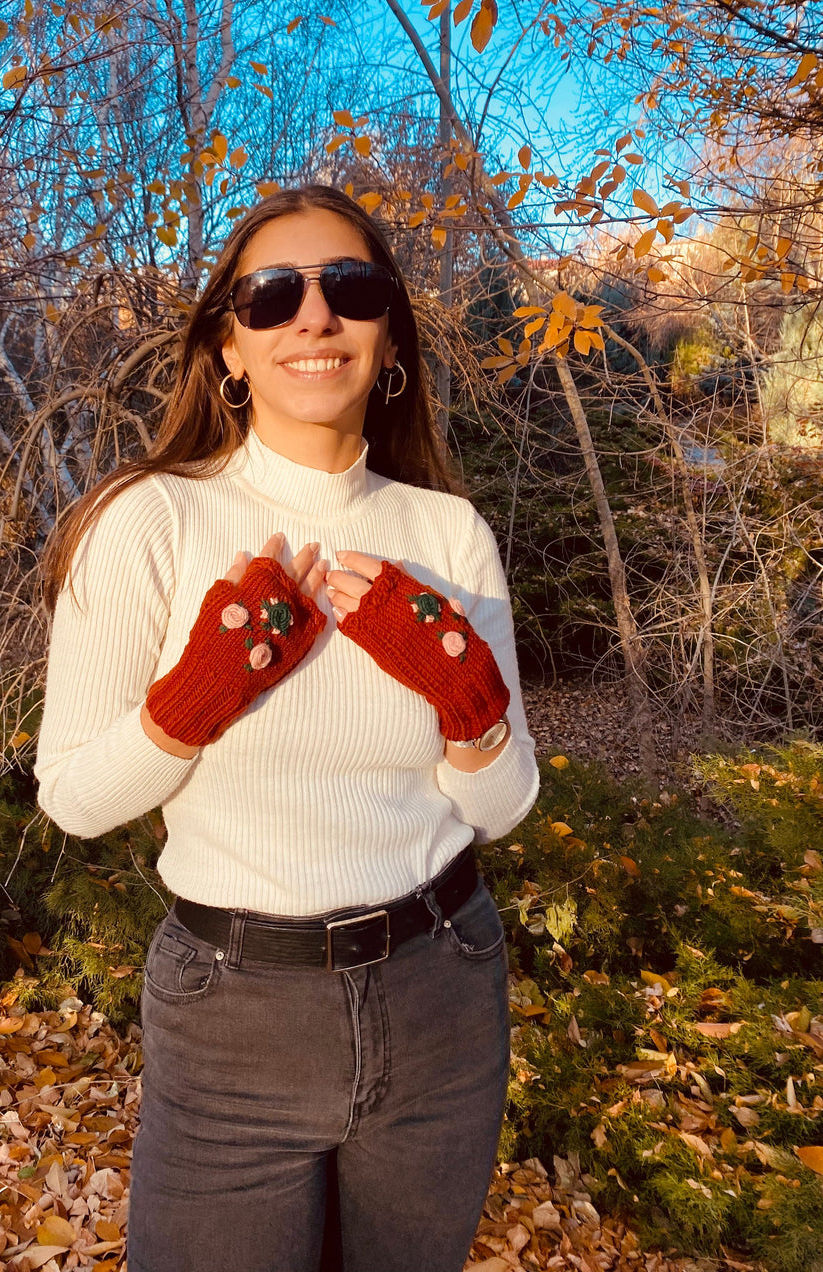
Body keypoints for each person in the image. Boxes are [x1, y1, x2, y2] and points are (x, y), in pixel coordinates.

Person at [35, 184, 540, 1272]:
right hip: (234, 1019)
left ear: (388, 333)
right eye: (273, 297)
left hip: (443, 991)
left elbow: (506, 804)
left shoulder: (445, 535)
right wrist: (194, 700)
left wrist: (466, 704)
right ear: (231, 344)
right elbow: (74, 800)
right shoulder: (151, 520)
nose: (314, 317)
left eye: (350, 289)